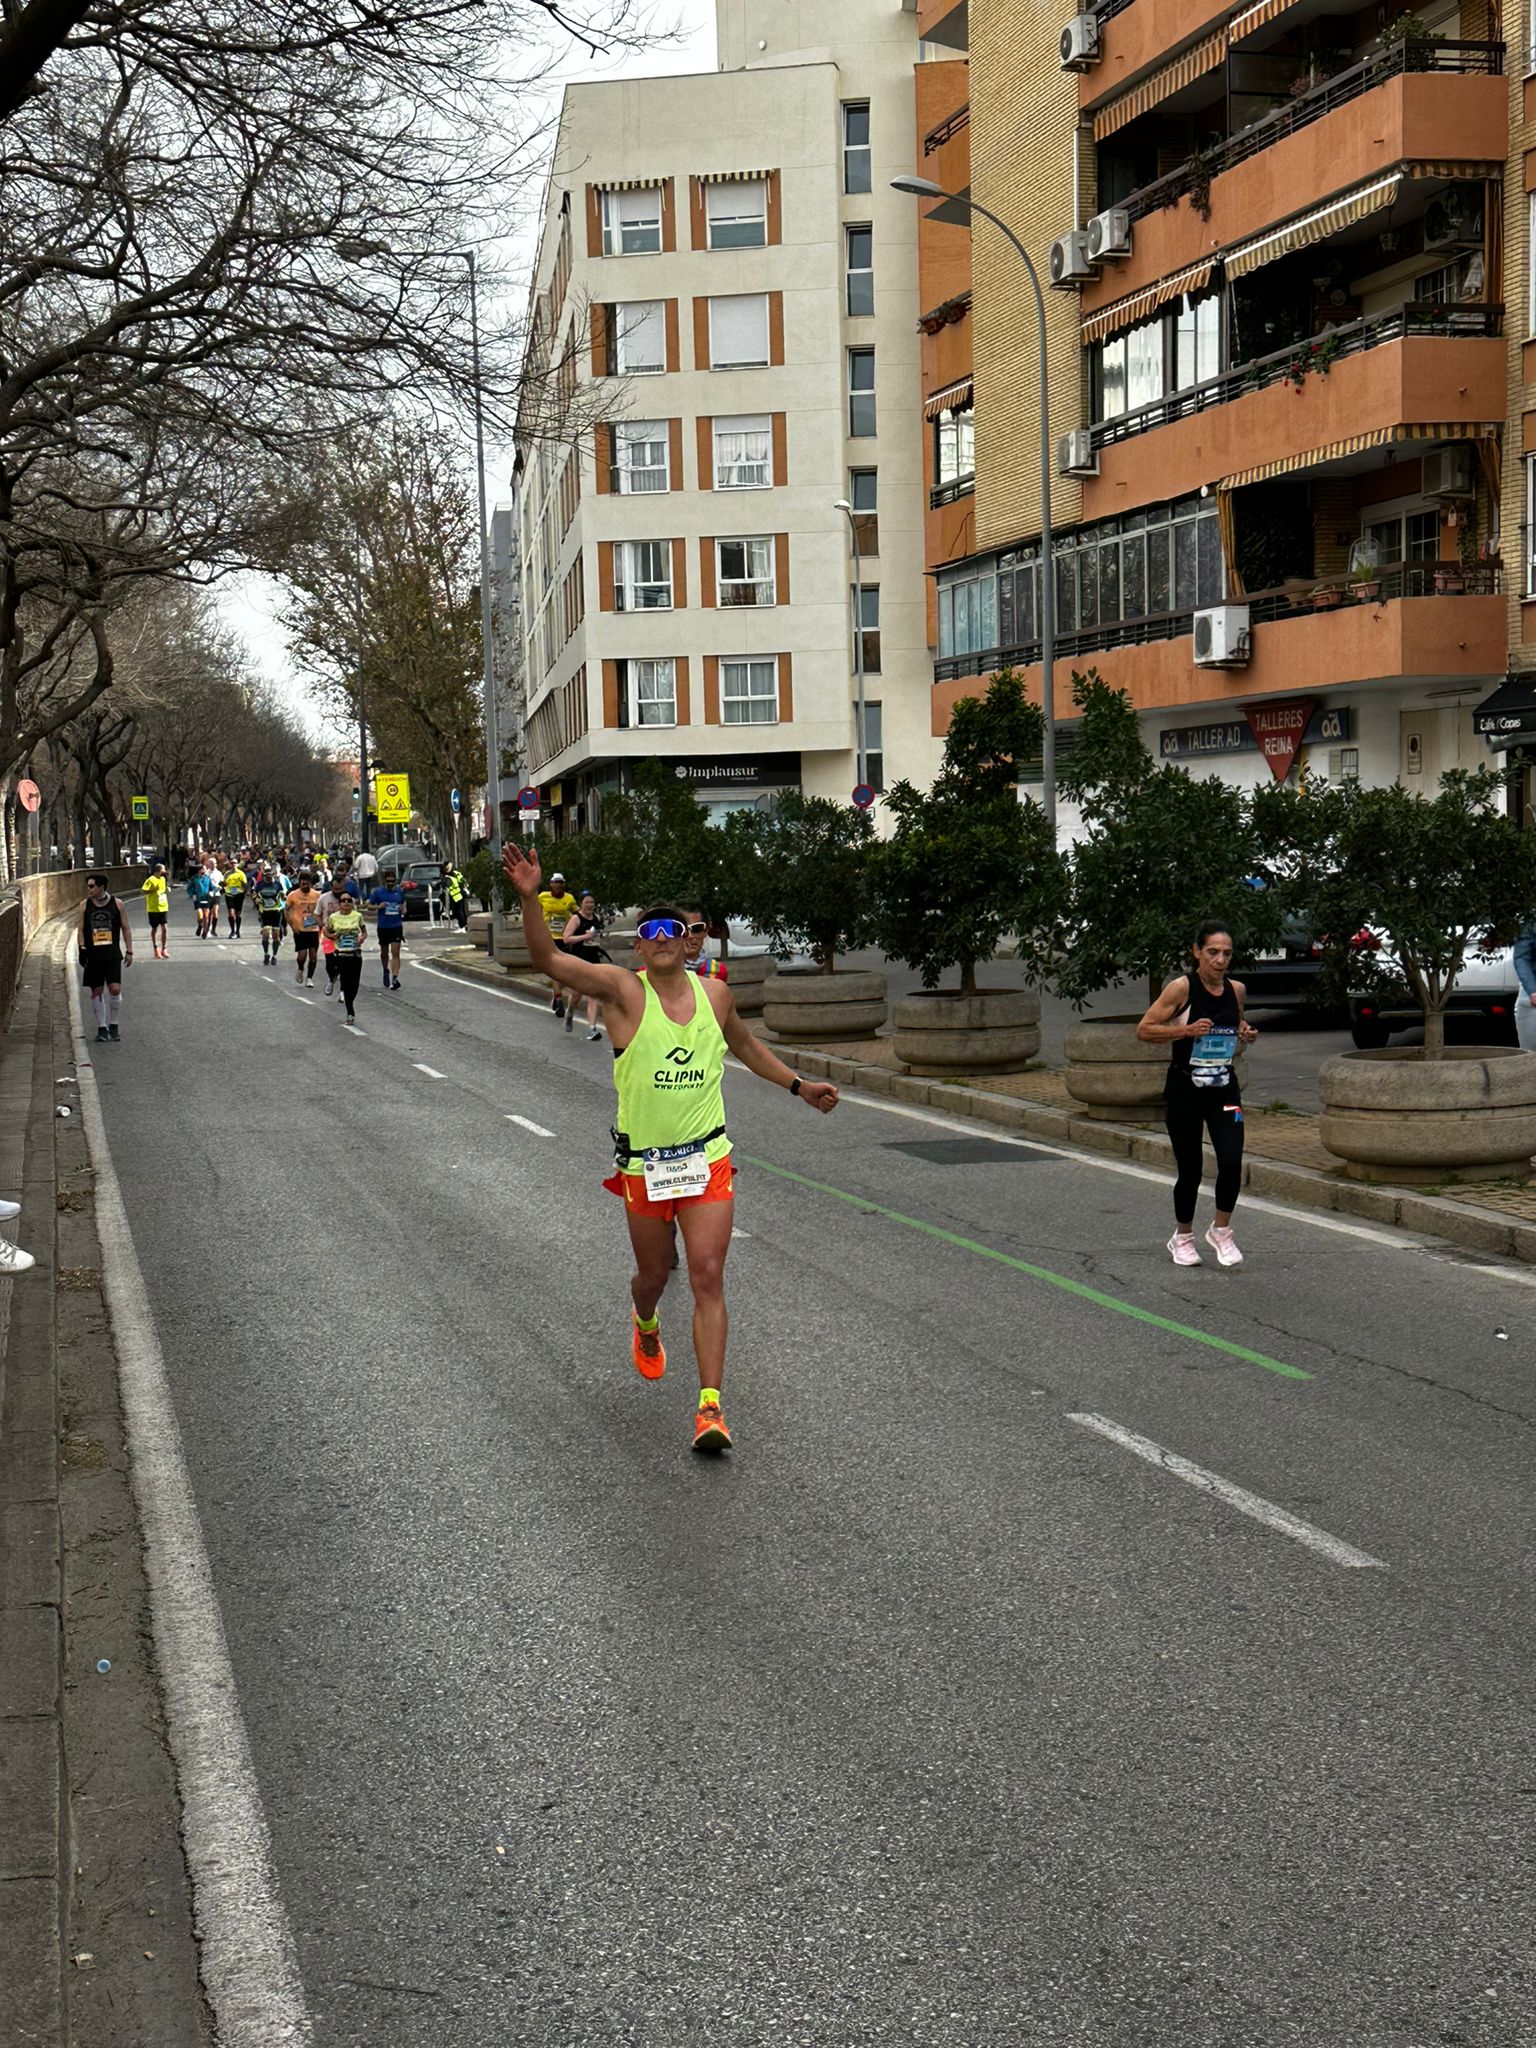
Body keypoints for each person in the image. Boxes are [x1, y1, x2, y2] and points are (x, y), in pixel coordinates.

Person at [504, 844, 839, 1453]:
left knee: (709, 1272)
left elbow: (744, 1046)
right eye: (650, 931)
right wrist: (530, 899)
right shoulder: (622, 992)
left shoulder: (715, 997)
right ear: (640, 945)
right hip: (644, 1166)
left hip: (707, 1157)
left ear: (691, 942)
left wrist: (797, 1084)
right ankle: (645, 1320)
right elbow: (545, 957)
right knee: (654, 1276)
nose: (661, 939)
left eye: (674, 931)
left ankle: (710, 1409)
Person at [1137, 920, 1258, 1268]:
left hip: (1223, 1087)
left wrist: (1245, 1032)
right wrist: (1186, 1030)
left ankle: (1221, 1230)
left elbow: (1236, 1025)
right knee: (1190, 1168)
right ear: (1196, 952)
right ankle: (1183, 1237)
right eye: (1213, 952)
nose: (1220, 960)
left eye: (1226, 953)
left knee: (1232, 1160)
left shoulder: (1236, 990)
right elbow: (1144, 1029)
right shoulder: (1181, 989)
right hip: (1185, 1088)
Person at [80, 872, 132, 1043]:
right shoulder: (84, 905)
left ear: (101, 887)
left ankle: (114, 1025)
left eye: (92, 886)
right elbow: (80, 929)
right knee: (96, 991)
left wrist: (129, 951)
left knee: (115, 989)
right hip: (93, 955)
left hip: (111, 953)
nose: (89, 889)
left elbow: (125, 928)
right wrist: (82, 948)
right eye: (88, 886)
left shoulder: (117, 904)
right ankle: (102, 1027)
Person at [558, 892, 608, 1039]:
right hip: (578, 959)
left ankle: (592, 1029)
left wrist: (597, 939)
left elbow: (597, 936)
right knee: (577, 994)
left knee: (593, 993)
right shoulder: (576, 919)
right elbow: (566, 939)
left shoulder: (597, 918)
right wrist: (585, 937)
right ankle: (570, 1012)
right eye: (587, 902)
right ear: (581, 903)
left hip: (593, 959)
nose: (590, 905)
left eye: (592, 902)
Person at [537, 870, 577, 1017]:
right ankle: (559, 998)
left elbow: (577, 914)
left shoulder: (569, 898)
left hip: (564, 937)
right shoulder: (542, 897)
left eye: (561, 882)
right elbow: (532, 911)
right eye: (556, 882)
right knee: (556, 969)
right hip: (549, 937)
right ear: (550, 884)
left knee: (562, 970)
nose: (558, 885)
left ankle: (557, 995)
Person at [327, 889, 366, 1023]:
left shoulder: (358, 916)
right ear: (339, 904)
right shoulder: (334, 917)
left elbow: (364, 931)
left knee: (354, 984)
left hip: (355, 954)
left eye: (349, 900)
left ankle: (348, 1000)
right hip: (341, 955)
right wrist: (331, 936)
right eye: (343, 901)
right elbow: (326, 930)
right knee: (346, 983)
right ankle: (350, 1011)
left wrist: (362, 938)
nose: (346, 903)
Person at [285, 871, 322, 987]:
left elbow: (322, 909)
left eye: (307, 883)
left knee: (313, 955)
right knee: (302, 955)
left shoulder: (317, 895)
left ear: (310, 883)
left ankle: (310, 978)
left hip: (313, 929)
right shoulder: (293, 895)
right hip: (299, 929)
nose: (304, 886)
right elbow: (286, 909)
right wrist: (291, 925)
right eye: (302, 883)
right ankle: (300, 969)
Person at [370, 874, 406, 989]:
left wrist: (403, 909)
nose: (390, 883)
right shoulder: (378, 892)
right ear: (384, 881)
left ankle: (395, 978)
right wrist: (378, 907)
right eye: (388, 881)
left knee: (395, 952)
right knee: (384, 952)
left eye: (393, 881)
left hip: (396, 925)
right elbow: (368, 906)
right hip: (383, 926)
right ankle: (386, 970)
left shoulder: (399, 892)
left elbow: (404, 905)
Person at [680, 905, 728, 982]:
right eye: (682, 929)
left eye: (697, 929)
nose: (690, 936)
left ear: (706, 931)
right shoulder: (664, 970)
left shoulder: (717, 971)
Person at [253, 863, 287, 964]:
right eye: (266, 875)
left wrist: (283, 896)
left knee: (276, 935)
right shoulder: (260, 884)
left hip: (276, 911)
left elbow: (283, 894)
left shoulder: (277, 884)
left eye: (270, 875)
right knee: (266, 934)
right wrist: (256, 900)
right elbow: (254, 894)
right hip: (264, 912)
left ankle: (274, 956)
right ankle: (266, 954)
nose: (268, 877)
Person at [141, 863, 170, 959]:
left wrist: (167, 889)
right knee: (154, 929)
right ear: (159, 870)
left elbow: (162, 890)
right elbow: (143, 891)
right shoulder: (151, 879)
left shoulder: (163, 879)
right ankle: (156, 948)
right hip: (153, 908)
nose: (165, 871)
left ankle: (164, 949)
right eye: (163, 869)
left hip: (163, 906)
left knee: (165, 928)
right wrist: (152, 890)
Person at [1516, 917, 1536, 1053]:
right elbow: (1522, 957)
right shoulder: (1531, 918)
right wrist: (1532, 991)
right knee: (1530, 1054)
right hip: (1532, 994)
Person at [223, 858, 248, 938]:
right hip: (229, 894)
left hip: (239, 894)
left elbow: (245, 884)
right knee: (231, 913)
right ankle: (232, 931)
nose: (233, 865)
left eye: (235, 863)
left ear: (237, 864)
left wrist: (245, 888)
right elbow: (224, 883)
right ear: (230, 864)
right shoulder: (227, 874)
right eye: (232, 863)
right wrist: (222, 885)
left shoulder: (241, 873)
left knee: (238, 914)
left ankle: (237, 931)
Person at [444, 862, 468, 931]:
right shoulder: (456, 873)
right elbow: (463, 882)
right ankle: (463, 926)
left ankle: (463, 926)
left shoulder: (449, 876)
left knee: (458, 912)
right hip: (460, 894)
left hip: (456, 895)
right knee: (461, 911)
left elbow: (448, 885)